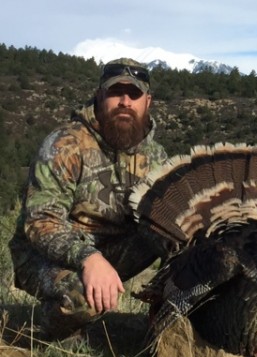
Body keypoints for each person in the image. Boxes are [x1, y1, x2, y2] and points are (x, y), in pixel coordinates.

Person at [9, 58, 168, 342]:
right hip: (44, 255)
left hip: (108, 255)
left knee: (169, 234)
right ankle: (36, 327)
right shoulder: (66, 144)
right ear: (99, 96)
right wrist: (89, 258)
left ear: (148, 101)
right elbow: (41, 221)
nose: (124, 101)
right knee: (83, 300)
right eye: (115, 92)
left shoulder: (156, 158)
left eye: (134, 94)